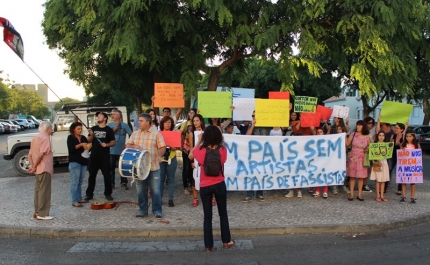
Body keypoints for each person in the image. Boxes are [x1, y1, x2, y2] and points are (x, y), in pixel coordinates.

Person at [189, 125, 235, 252]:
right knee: (223, 214)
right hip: (219, 183)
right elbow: (223, 161)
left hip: (205, 185)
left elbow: (190, 156)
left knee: (207, 217)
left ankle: (208, 245)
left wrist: (199, 140)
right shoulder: (222, 150)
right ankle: (226, 241)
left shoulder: (201, 149)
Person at [126, 113, 166, 218]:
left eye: (141, 121)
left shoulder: (156, 134)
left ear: (148, 122)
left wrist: (160, 155)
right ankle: (142, 210)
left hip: (153, 167)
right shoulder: (135, 134)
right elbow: (127, 145)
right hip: (139, 168)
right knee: (141, 191)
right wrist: (135, 146)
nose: (138, 122)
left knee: (156, 190)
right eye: (138, 121)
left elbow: (163, 147)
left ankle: (157, 210)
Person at [84, 112, 116, 201]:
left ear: (105, 118)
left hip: (104, 156)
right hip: (94, 155)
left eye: (100, 116)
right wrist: (91, 134)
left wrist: (106, 144)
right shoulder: (93, 128)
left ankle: (108, 193)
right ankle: (89, 194)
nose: (98, 117)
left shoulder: (109, 130)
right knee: (92, 175)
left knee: (107, 175)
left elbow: (113, 142)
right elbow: (88, 141)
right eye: (97, 116)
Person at [28, 121, 54, 220]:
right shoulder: (45, 138)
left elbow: (30, 154)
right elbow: (41, 154)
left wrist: (32, 165)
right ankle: (42, 213)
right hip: (44, 168)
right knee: (44, 191)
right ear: (47, 129)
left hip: (38, 169)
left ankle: (37, 211)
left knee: (38, 190)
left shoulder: (35, 138)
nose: (52, 130)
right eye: (51, 128)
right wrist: (34, 166)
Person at [242, 110, 265, 202]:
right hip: (251, 154)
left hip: (262, 154)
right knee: (250, 173)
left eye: (255, 115)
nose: (253, 117)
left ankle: (260, 193)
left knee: (260, 173)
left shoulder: (266, 127)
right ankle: (249, 194)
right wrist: (253, 125)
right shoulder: (250, 126)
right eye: (252, 116)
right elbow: (247, 135)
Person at [346, 120, 371, 201]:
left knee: (361, 177)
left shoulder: (367, 137)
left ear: (363, 126)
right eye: (357, 125)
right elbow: (347, 144)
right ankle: (351, 194)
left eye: (360, 125)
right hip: (353, 157)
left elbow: (370, 147)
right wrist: (345, 135)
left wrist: (367, 149)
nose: (358, 127)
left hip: (362, 157)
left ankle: (360, 194)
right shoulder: (353, 134)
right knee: (352, 176)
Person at [108, 108, 132, 190]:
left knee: (122, 167)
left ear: (119, 116)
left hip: (122, 150)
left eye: (114, 114)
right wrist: (113, 131)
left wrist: (128, 144)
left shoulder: (125, 125)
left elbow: (131, 135)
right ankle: (111, 183)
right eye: (112, 114)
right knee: (111, 168)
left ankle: (124, 182)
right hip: (111, 150)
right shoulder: (109, 125)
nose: (112, 116)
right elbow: (106, 136)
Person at [67, 122, 90, 207]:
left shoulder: (83, 137)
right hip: (74, 162)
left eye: (81, 129)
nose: (80, 130)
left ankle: (79, 198)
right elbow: (71, 149)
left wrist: (87, 146)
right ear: (73, 129)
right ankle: (74, 200)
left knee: (80, 182)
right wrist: (81, 144)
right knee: (75, 182)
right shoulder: (70, 138)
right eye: (78, 129)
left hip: (83, 161)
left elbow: (88, 146)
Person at [159, 116, 178, 207]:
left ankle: (170, 198)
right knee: (160, 179)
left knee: (171, 179)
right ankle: (159, 198)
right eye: (166, 122)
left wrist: (175, 147)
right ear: (162, 123)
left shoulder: (174, 134)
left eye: (169, 122)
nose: (167, 124)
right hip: (161, 159)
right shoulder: (158, 134)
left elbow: (178, 147)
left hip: (172, 157)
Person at [189, 114, 206, 207]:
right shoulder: (192, 133)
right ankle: (195, 198)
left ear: (201, 121)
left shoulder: (206, 132)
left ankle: (211, 197)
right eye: (194, 121)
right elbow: (191, 149)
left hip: (205, 158)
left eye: (197, 120)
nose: (195, 123)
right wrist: (191, 162)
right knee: (194, 178)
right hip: (195, 158)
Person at [400, 130, 420, 204]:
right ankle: (403, 196)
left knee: (412, 182)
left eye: (410, 136)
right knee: (404, 182)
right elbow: (400, 155)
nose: (408, 138)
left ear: (413, 137)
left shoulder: (417, 145)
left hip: (413, 166)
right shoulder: (403, 144)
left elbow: (419, 156)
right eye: (407, 136)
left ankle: (412, 197)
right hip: (404, 166)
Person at [181, 108, 198, 195]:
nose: (190, 114)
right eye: (189, 112)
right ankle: (185, 187)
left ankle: (192, 185)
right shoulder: (185, 124)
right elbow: (180, 134)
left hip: (196, 149)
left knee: (193, 168)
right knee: (186, 168)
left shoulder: (198, 124)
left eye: (193, 113)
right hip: (186, 149)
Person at [370, 131, 390, 202]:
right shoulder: (375, 145)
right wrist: (376, 160)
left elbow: (388, 155)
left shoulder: (387, 145)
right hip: (377, 163)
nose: (381, 137)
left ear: (384, 137)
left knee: (383, 180)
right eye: (380, 135)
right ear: (377, 136)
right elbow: (372, 155)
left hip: (384, 163)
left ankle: (382, 195)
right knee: (378, 180)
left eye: (383, 135)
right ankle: (378, 195)